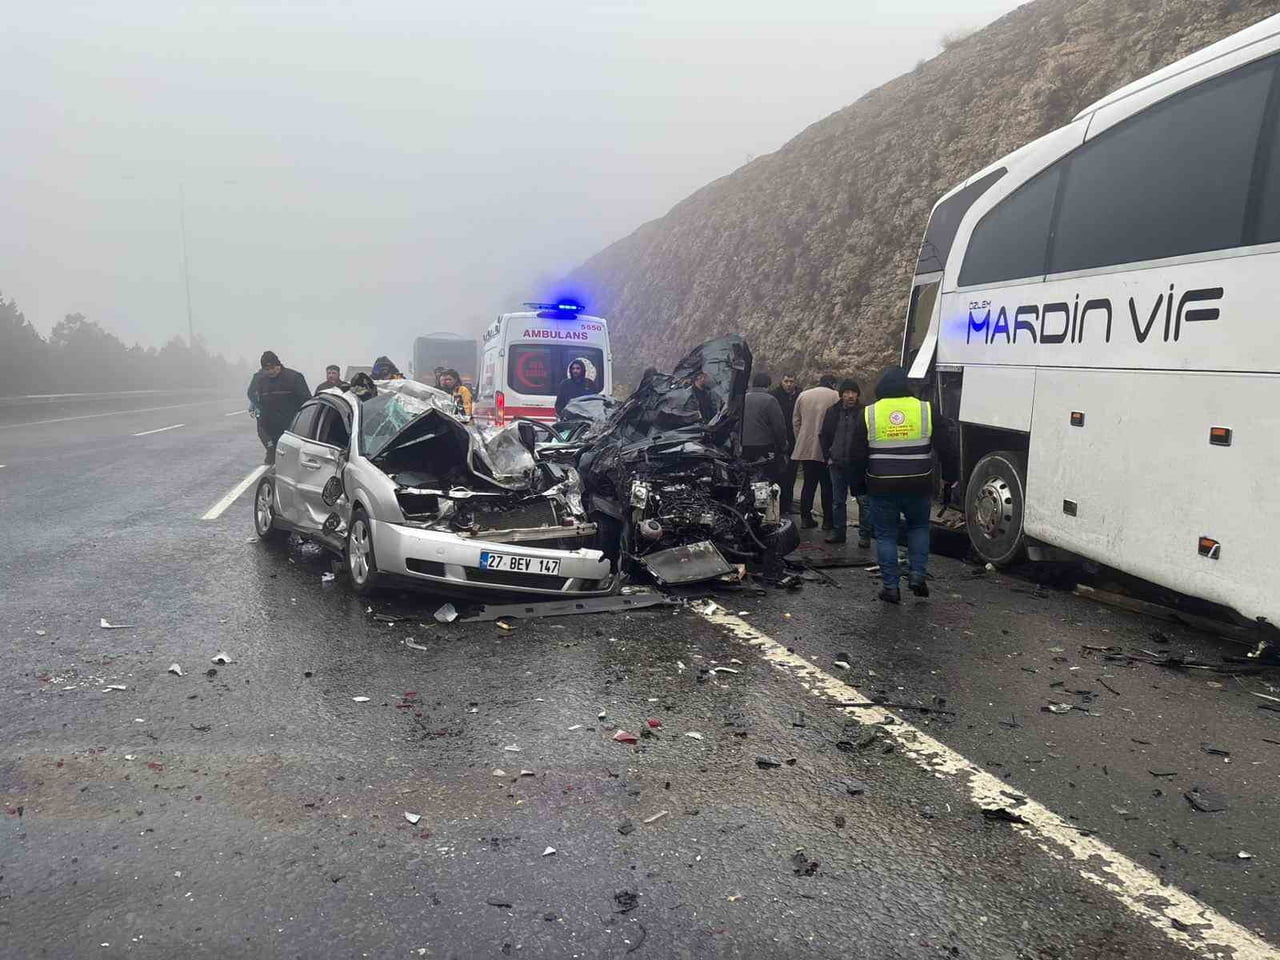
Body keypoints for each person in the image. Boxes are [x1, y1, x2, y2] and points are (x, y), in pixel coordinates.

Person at [854, 366, 936, 604]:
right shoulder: (925, 408)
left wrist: (858, 486)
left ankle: (891, 588)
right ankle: (918, 575)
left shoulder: (870, 413)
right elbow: (948, 443)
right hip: (919, 483)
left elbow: (857, 454)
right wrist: (950, 476)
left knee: (886, 536)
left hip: (882, 486)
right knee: (919, 528)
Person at [819, 378, 870, 547]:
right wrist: (828, 456)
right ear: (841, 395)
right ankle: (839, 532)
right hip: (837, 463)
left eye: (853, 393)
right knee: (838, 501)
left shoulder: (865, 412)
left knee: (863, 501)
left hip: (858, 465)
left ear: (857, 395)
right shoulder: (832, 412)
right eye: (846, 393)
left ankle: (864, 535)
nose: (850, 396)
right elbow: (824, 435)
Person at [792, 374, 839, 530]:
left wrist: (801, 439)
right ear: (833, 383)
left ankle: (805, 518)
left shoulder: (804, 395)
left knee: (809, 483)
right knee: (827, 485)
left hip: (806, 446)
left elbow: (796, 421)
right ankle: (828, 521)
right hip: (827, 448)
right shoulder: (836, 396)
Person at [247, 350, 309, 465]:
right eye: (267, 369)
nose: (270, 372)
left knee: (290, 463)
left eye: (272, 368)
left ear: (278, 365)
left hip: (291, 429)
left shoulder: (294, 378)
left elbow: (307, 402)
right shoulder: (261, 380)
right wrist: (258, 408)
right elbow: (252, 394)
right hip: (271, 429)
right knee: (271, 463)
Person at [741, 372, 788, 476]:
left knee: (747, 474)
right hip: (764, 446)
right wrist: (783, 445)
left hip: (744, 446)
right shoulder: (770, 400)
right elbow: (779, 426)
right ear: (768, 385)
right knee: (766, 475)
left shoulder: (742, 399)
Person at [770, 373, 801, 515]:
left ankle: (787, 504)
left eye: (791, 381)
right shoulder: (774, 396)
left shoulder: (799, 396)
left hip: (794, 439)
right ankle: (776, 505)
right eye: (786, 381)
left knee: (791, 474)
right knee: (777, 474)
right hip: (777, 441)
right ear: (781, 381)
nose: (789, 384)